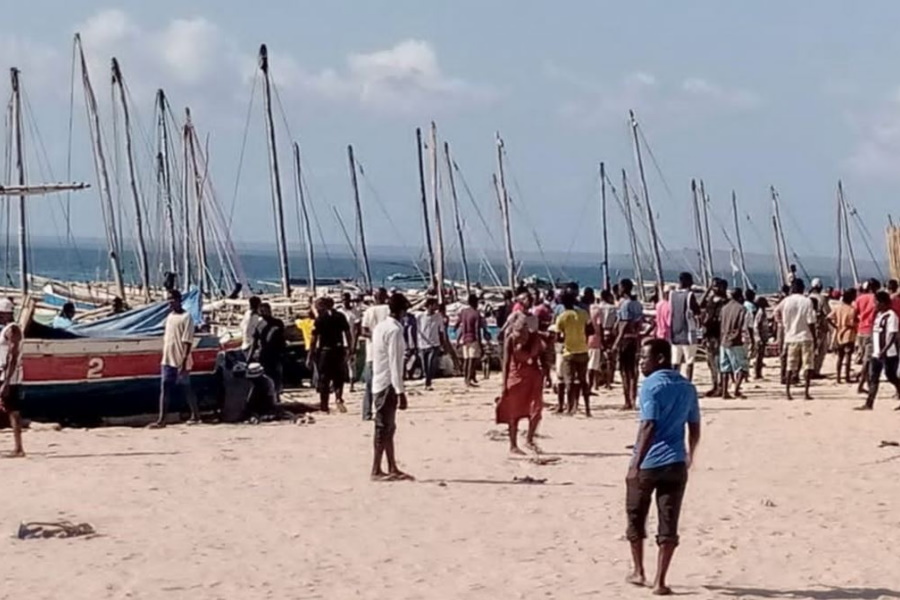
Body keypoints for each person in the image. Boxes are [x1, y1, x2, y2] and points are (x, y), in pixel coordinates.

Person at [625, 338, 701, 596]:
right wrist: (691, 454)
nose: (640, 363)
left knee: (636, 513)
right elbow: (695, 425)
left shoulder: (650, 386)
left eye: (644, 358)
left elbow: (648, 425)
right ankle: (660, 580)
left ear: (658, 359)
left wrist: (635, 464)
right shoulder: (687, 387)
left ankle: (638, 569)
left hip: (650, 462)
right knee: (669, 521)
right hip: (676, 462)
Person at [370, 292, 413, 482]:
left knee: (388, 427)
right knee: (383, 427)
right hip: (387, 383)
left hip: (380, 380)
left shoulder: (380, 327)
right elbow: (395, 363)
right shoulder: (394, 331)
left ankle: (392, 466)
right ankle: (376, 469)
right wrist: (400, 391)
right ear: (401, 311)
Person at [497, 314, 545, 455]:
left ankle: (529, 439)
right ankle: (513, 444)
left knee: (536, 409)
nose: (521, 337)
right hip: (515, 377)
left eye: (523, 333)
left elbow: (542, 356)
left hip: (533, 377)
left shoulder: (534, 338)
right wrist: (504, 384)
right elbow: (505, 363)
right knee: (513, 412)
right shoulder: (510, 339)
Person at [151, 290, 200, 428]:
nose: (170, 303)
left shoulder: (187, 317)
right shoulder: (170, 317)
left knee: (186, 387)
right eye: (168, 300)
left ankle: (195, 415)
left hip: (181, 358)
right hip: (167, 358)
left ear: (179, 300)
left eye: (172, 300)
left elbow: (188, 341)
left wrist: (184, 361)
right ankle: (162, 419)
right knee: (165, 387)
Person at [856, 291, 900, 410]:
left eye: (876, 302)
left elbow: (892, 335)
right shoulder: (878, 315)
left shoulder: (891, 316)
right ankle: (869, 403)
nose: (874, 304)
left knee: (890, 376)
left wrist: (884, 350)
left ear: (882, 303)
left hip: (889, 353)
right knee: (873, 377)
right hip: (876, 353)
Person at [775, 278, 817, 401]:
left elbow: (776, 311)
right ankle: (806, 392)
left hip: (790, 336)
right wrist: (814, 337)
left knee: (790, 366)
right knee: (807, 366)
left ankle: (788, 392)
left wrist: (782, 324)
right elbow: (811, 321)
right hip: (805, 336)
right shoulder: (807, 301)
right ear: (802, 288)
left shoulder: (786, 301)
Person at [307, 297, 351, 413]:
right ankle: (338, 397)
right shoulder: (340, 316)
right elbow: (347, 333)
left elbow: (314, 338)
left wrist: (310, 354)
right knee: (338, 376)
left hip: (325, 351)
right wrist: (350, 348)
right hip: (338, 349)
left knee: (324, 378)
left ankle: (324, 404)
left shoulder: (320, 319)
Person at [555, 290, 592, 416]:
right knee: (583, 380)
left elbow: (558, 337)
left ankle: (570, 408)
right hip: (583, 350)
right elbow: (590, 330)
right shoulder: (583, 313)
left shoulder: (563, 316)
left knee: (569, 381)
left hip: (569, 351)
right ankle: (587, 408)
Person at [614, 278, 644, 410]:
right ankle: (633, 398)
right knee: (633, 371)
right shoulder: (637, 304)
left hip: (626, 339)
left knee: (625, 371)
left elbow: (624, 323)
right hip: (635, 339)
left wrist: (616, 342)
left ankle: (628, 400)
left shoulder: (625, 304)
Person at [361, 288, 390, 420]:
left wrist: (374, 335)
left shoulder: (369, 311)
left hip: (372, 353)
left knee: (369, 385)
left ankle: (367, 413)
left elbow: (363, 330)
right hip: (384, 353)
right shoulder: (388, 310)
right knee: (384, 384)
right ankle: (380, 410)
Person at [0, 299, 25, 457]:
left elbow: (12, 356)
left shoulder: (12, 330)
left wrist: (6, 382)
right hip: (3, 373)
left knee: (13, 411)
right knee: (9, 409)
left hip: (10, 376)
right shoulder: (5, 330)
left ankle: (18, 448)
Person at [669, 273, 701, 382]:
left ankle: (674, 382)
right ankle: (688, 382)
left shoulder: (671, 294)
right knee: (689, 361)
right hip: (688, 332)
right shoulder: (689, 295)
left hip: (675, 332)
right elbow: (697, 311)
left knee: (675, 361)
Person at [719, 288, 749, 399]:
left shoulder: (724, 308)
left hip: (724, 339)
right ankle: (736, 390)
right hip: (735, 340)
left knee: (725, 367)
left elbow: (721, 323)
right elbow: (742, 325)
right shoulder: (742, 309)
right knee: (742, 366)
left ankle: (724, 392)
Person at [454, 294, 490, 388]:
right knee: (472, 360)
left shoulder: (463, 312)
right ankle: (468, 380)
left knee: (466, 360)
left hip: (464, 338)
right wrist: (480, 343)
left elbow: (458, 325)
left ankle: (466, 378)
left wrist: (458, 340)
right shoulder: (476, 314)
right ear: (475, 303)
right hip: (473, 338)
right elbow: (477, 329)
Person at [700, 278, 728, 397]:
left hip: (718, 334)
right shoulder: (711, 299)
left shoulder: (725, 301)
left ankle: (721, 386)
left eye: (717, 286)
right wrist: (707, 290)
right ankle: (715, 385)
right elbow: (700, 304)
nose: (715, 288)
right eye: (714, 286)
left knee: (718, 362)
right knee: (710, 362)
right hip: (709, 334)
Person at [251, 303, 286, 396]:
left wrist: (283, 350)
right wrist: (250, 355)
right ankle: (269, 394)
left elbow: (282, 337)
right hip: (264, 353)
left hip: (276, 352)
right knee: (266, 374)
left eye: (265, 311)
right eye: (261, 311)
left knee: (277, 374)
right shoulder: (259, 325)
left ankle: (276, 393)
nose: (263, 313)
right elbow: (255, 341)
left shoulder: (278, 322)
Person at [854, 279, 879, 394]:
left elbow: (854, 315)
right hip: (871, 330)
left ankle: (867, 383)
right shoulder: (876, 299)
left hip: (860, 331)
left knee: (864, 357)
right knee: (867, 360)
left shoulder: (859, 298)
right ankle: (860, 384)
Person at [828, 289, 858, 384]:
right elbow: (853, 322)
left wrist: (836, 326)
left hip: (839, 333)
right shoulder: (852, 309)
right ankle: (847, 376)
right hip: (849, 333)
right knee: (848, 356)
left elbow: (828, 318)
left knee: (840, 357)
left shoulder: (838, 308)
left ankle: (838, 377)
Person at [417, 298, 445, 390]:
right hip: (422, 344)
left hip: (434, 344)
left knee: (430, 364)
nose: (436, 306)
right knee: (424, 365)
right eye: (435, 304)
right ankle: (426, 380)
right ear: (429, 305)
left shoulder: (438, 316)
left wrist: (442, 344)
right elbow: (415, 330)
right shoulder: (420, 316)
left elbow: (441, 331)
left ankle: (428, 383)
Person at [337, 292, 362, 392]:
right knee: (339, 363)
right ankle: (338, 384)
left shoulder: (355, 312)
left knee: (351, 363)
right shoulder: (339, 312)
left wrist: (354, 343)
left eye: (346, 299)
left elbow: (357, 328)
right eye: (343, 300)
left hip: (351, 340)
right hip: (340, 340)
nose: (345, 301)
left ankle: (352, 385)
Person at [808, 278, 832, 377]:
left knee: (812, 349)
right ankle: (815, 371)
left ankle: (809, 369)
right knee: (820, 350)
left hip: (810, 326)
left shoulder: (807, 297)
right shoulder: (822, 299)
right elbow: (828, 313)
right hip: (820, 326)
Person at [752, 297, 770, 380]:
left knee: (761, 355)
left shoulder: (763, 313)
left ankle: (759, 372)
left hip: (763, 337)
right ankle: (757, 373)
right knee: (758, 355)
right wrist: (758, 338)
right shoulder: (760, 313)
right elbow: (756, 326)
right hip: (760, 338)